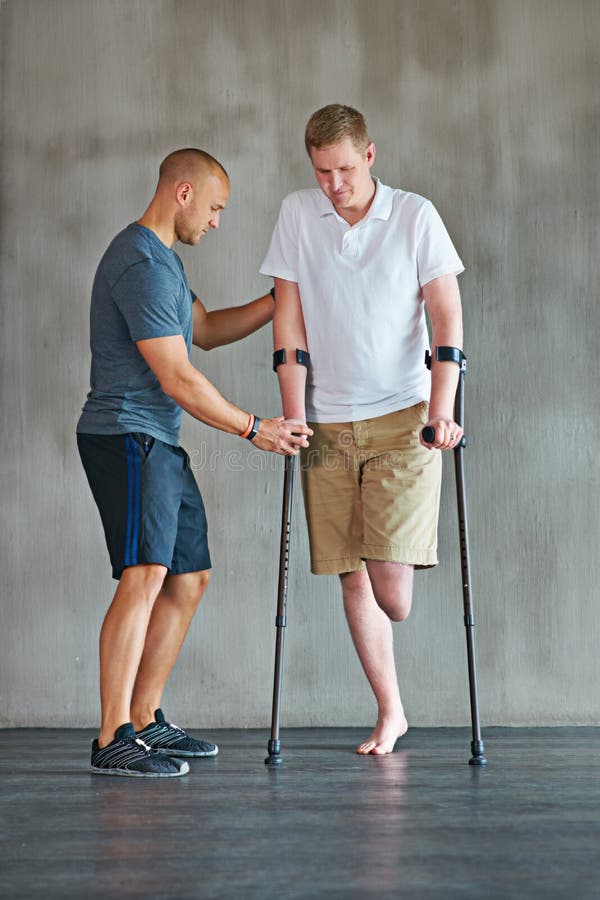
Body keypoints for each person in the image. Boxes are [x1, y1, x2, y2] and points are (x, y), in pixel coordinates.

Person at [77, 148, 311, 777]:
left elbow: (202, 330)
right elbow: (179, 376)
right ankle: (112, 737)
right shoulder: (140, 263)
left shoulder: (168, 267)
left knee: (188, 577)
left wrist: (278, 300)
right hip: (126, 434)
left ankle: (148, 720)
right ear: (183, 193)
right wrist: (254, 427)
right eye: (214, 208)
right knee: (145, 575)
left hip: (156, 440)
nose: (216, 222)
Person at [260, 104, 465, 755]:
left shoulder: (414, 215)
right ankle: (391, 712)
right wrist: (293, 412)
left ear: (369, 156)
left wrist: (443, 407)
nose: (334, 185)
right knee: (351, 575)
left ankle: (393, 701)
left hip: (405, 419)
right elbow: (286, 322)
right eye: (322, 171)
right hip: (326, 424)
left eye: (344, 169)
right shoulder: (298, 213)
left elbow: (445, 315)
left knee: (391, 592)